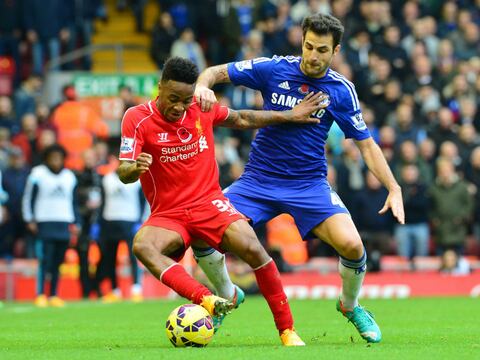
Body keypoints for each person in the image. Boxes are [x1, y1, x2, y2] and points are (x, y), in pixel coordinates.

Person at [194, 13, 405, 343]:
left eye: (322, 49)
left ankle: (350, 306)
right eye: (308, 46)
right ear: (302, 42)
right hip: (257, 181)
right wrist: (202, 87)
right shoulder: (274, 68)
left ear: (335, 51)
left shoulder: (340, 89)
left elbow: (366, 145)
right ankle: (226, 295)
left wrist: (393, 187)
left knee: (352, 245)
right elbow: (216, 71)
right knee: (202, 231)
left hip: (308, 185)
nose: (313, 55)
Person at [117, 56, 328, 346]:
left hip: (209, 204)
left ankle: (287, 330)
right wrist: (134, 168)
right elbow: (124, 170)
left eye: (185, 99)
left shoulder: (199, 108)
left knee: (254, 248)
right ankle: (206, 299)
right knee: (142, 245)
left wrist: (288, 116)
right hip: (169, 214)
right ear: (160, 87)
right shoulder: (136, 118)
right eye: (173, 98)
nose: (179, 107)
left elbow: (242, 118)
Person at [22, 144, 80, 307]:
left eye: (58, 157)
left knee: (57, 261)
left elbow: (74, 202)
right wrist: (29, 219)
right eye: (52, 157)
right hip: (44, 222)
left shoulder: (69, 176)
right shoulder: (37, 174)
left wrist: (76, 221)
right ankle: (40, 294)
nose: (56, 160)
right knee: (44, 260)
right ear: (46, 159)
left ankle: (54, 294)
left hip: (63, 222)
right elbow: (28, 198)